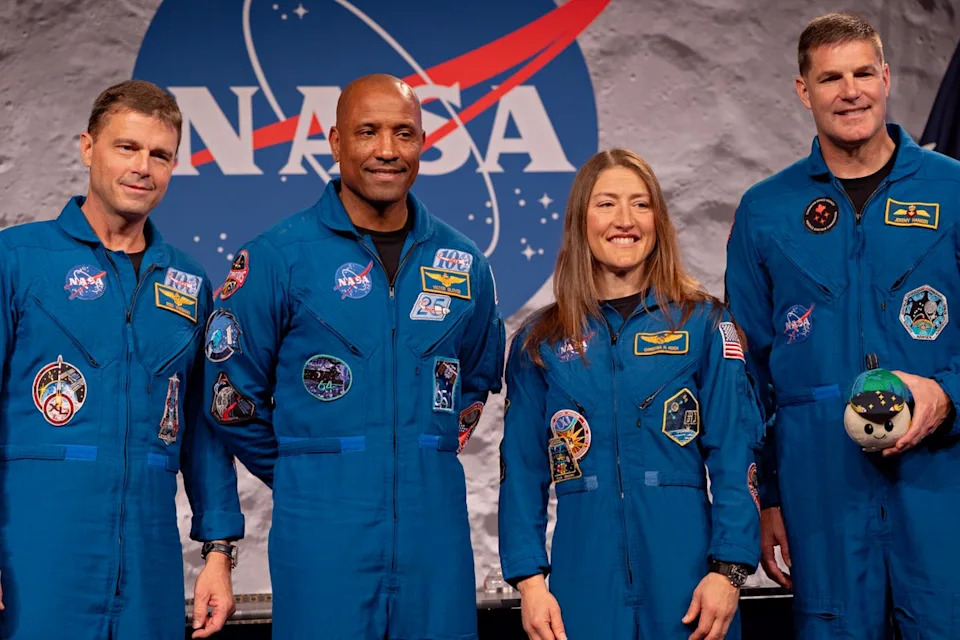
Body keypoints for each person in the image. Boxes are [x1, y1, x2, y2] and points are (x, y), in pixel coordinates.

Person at [203, 74, 504, 640]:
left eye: (404, 134)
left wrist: (417, 455)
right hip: (322, 533)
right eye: (368, 132)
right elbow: (228, 397)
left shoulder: (465, 264)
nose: (387, 150)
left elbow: (476, 382)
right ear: (337, 141)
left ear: (423, 142)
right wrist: (307, 467)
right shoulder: (276, 258)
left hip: (433, 534)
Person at [726, 12, 960, 639]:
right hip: (819, 486)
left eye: (862, 73)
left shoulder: (954, 190)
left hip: (941, 481)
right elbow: (748, 373)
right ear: (804, 90)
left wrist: (948, 396)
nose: (849, 90)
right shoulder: (765, 211)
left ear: (886, 78)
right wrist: (768, 494)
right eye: (830, 78)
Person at [0, 80, 243, 639]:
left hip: (148, 558)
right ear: (88, 148)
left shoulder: (188, 284)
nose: (143, 167)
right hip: (37, 550)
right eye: (126, 147)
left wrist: (218, 550)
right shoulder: (19, 260)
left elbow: (205, 434)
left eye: (159, 155)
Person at [499, 149, 763, 640]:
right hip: (582, 582)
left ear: (658, 220)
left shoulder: (704, 324)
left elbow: (734, 452)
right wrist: (531, 583)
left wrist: (729, 572)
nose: (625, 220)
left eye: (640, 205)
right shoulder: (540, 343)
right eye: (606, 204)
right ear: (581, 221)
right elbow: (521, 473)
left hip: (688, 580)